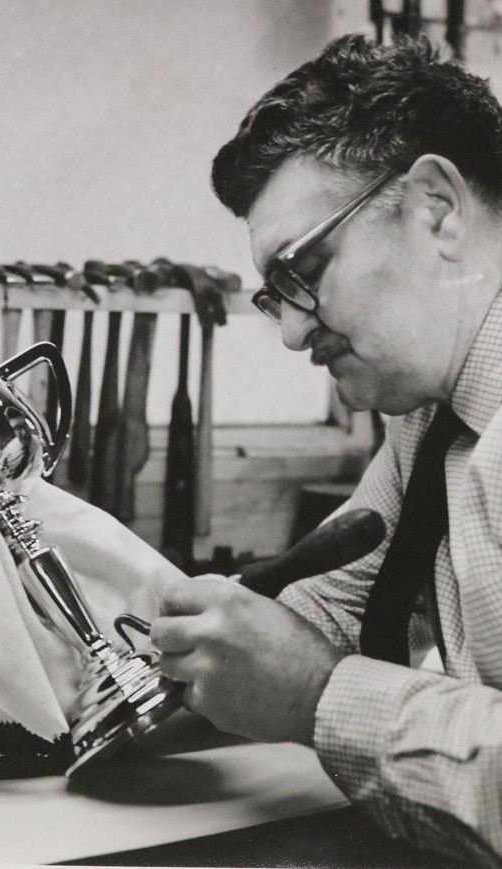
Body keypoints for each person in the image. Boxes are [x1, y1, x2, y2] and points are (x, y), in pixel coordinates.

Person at [150, 34, 502, 866]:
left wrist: (316, 694)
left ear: (435, 208)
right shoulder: (428, 414)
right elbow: (333, 597)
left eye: (304, 269)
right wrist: (172, 664)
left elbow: (309, 665)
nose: (291, 329)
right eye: (275, 295)